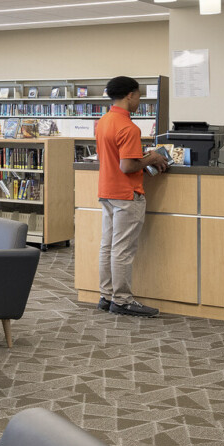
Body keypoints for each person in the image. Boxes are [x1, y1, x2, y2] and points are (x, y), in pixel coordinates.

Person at [95, 75, 169, 316]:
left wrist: (141, 156)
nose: (139, 100)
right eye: (138, 95)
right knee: (122, 250)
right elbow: (127, 166)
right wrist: (153, 158)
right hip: (127, 194)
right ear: (130, 95)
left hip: (107, 191)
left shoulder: (104, 121)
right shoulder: (128, 127)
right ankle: (123, 300)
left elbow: (119, 157)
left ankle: (106, 296)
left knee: (108, 246)